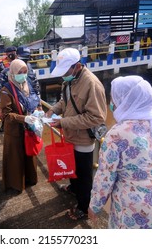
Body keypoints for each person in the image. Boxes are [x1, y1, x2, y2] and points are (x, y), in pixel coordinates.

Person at [88, 75, 152, 229]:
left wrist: (94, 206)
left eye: (114, 99)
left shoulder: (117, 134)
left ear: (125, 101)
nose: (112, 104)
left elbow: (105, 177)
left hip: (133, 210)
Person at [45, 47, 107, 220]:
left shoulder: (92, 84)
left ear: (77, 66)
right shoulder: (70, 80)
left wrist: (63, 122)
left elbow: (96, 117)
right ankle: (73, 188)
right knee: (72, 166)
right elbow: (65, 101)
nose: (63, 75)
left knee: (84, 174)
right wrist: (52, 111)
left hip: (84, 138)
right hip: (71, 133)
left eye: (65, 71)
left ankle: (84, 207)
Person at [0, 59, 41, 193]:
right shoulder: (6, 90)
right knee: (16, 158)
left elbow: (34, 100)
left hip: (28, 129)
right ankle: (16, 184)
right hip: (15, 130)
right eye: (19, 72)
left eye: (25, 72)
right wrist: (24, 118)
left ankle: (30, 179)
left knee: (29, 154)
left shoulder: (27, 85)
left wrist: (38, 110)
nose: (23, 75)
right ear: (12, 73)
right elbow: (6, 114)